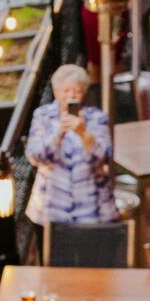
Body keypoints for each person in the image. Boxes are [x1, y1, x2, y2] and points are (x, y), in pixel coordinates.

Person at [25, 63, 120, 228]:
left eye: (78, 91)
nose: (72, 95)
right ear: (56, 92)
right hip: (51, 207)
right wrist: (58, 135)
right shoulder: (42, 116)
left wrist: (83, 133)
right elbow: (34, 156)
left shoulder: (97, 118)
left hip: (93, 207)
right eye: (66, 90)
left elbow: (105, 157)